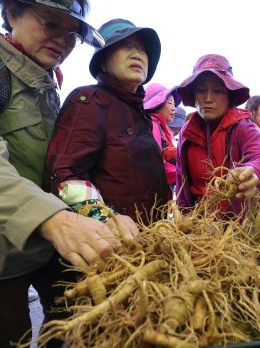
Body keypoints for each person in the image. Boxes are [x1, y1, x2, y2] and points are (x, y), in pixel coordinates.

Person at [0, 0, 134, 348]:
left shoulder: (48, 87)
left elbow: (63, 170)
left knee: (72, 331)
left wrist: (99, 213)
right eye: (50, 23)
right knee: (11, 341)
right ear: (11, 13)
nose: (62, 41)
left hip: (48, 246)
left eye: (72, 33)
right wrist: (53, 219)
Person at [45, 18, 170, 226]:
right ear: (103, 61)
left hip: (147, 243)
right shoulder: (89, 101)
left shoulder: (142, 116)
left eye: (142, 49)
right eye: (125, 46)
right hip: (109, 246)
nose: (136, 54)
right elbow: (65, 174)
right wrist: (104, 217)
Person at [175, 54, 260, 214]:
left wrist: (252, 170)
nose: (208, 98)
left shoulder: (243, 127)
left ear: (229, 95)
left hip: (239, 226)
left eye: (217, 91)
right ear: (193, 95)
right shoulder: (186, 133)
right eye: (201, 91)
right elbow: (181, 182)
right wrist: (183, 221)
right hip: (198, 228)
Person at [143, 83, 180, 188]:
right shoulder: (153, 125)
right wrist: (182, 177)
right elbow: (156, 162)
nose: (174, 109)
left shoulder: (161, 127)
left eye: (174, 104)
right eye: (170, 103)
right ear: (157, 105)